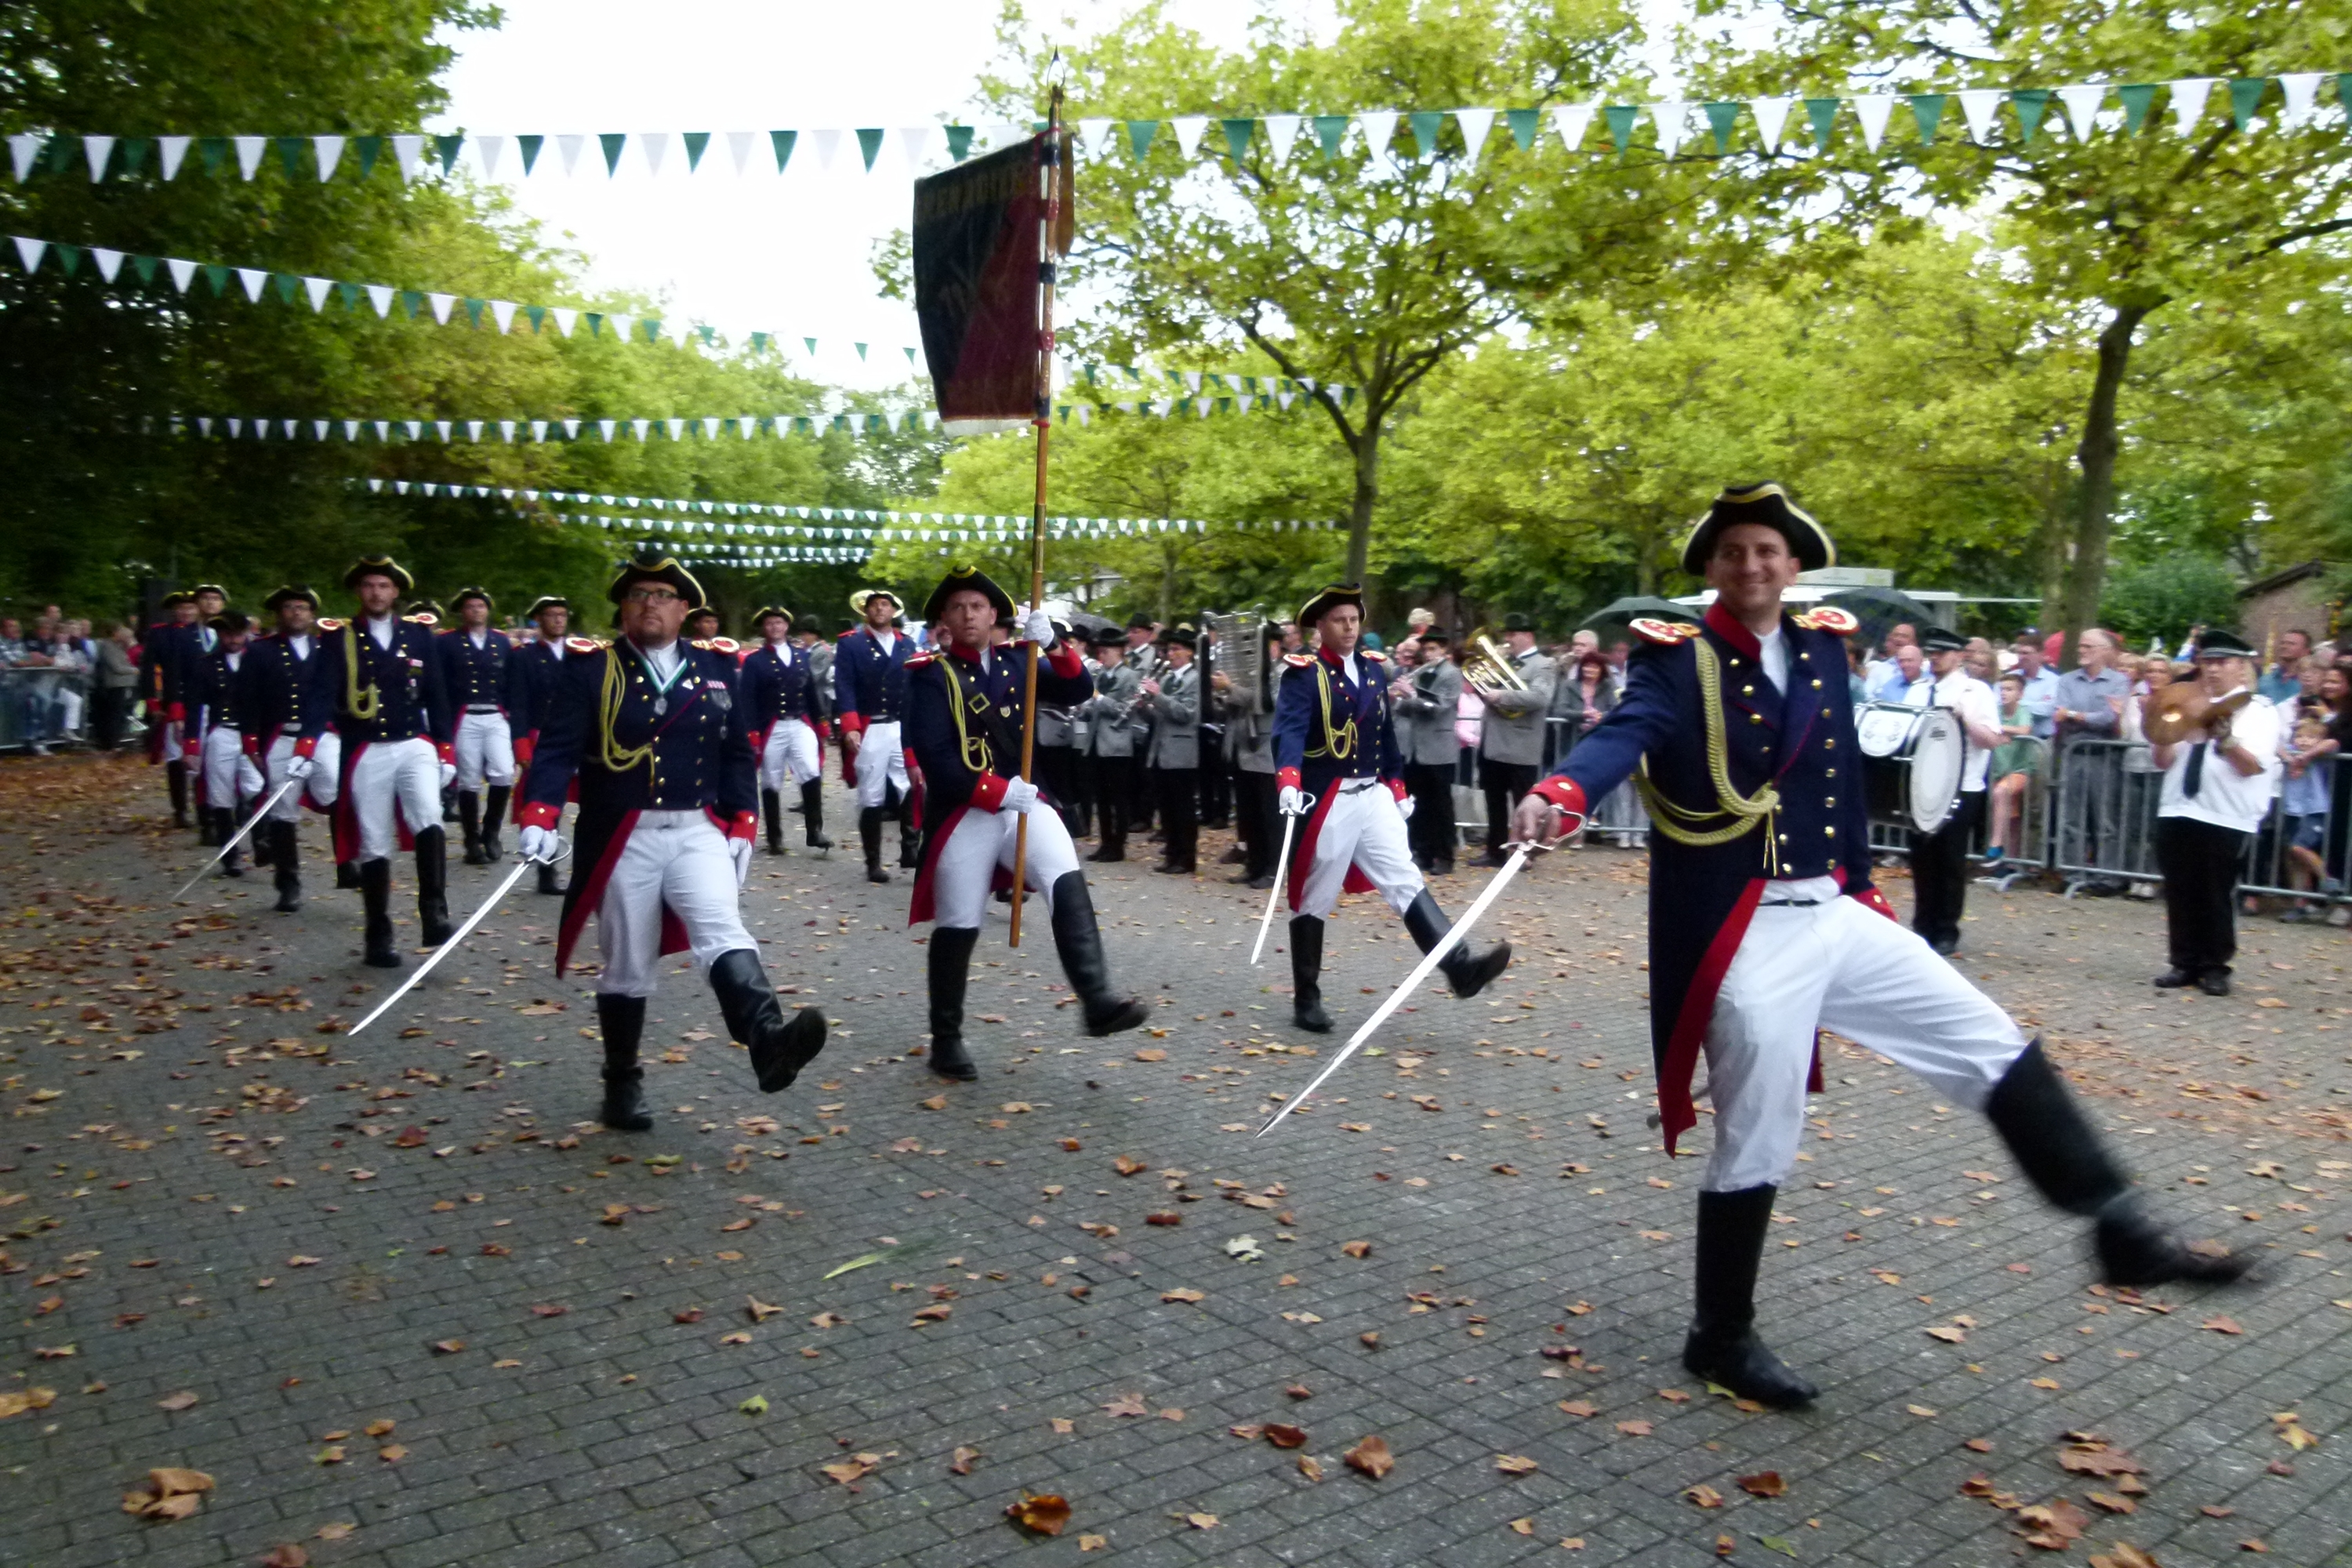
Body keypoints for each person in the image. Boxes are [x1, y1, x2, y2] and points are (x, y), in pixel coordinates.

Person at [1512, 482, 2245, 1410]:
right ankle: (1720, 1334)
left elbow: (1839, 782)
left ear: (1792, 564)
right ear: (1712, 567)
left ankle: (2120, 1223)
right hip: (1744, 921)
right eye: (1733, 551)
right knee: (1760, 1124)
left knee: (1988, 1038)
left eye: (1767, 550)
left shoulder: (1824, 645)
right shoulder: (1677, 658)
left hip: (1835, 906)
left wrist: (1862, 883)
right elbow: (1628, 732)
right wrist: (1563, 792)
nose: (1751, 564)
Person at [517, 547, 827, 1129]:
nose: (649, 604)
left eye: (662, 596)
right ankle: (622, 1081)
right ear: (623, 609)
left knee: (722, 927)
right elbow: (557, 749)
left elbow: (736, 752)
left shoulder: (716, 667)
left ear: (685, 609)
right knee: (628, 962)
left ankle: (767, 1040)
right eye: (638, 595)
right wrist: (539, 814)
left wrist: (744, 820)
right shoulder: (591, 669)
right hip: (624, 833)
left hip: (695, 829)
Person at [903, 566, 1148, 1080]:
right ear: (945, 619)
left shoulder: (1021, 660)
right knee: (960, 922)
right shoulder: (929, 676)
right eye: (958, 608)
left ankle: (1097, 1000)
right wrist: (994, 791)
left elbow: (1078, 689)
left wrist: (1055, 644)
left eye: (978, 606)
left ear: (994, 613)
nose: (969, 615)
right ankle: (946, 1039)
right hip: (967, 811)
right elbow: (936, 757)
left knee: (1065, 877)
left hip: (1027, 802)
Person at [1274, 584, 1512, 1035]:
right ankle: (1307, 997)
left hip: (1373, 793)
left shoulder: (1372, 669)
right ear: (1320, 626)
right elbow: (1289, 730)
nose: (1349, 628)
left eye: (1354, 619)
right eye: (1340, 620)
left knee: (1405, 879)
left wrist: (1397, 785)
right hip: (1330, 796)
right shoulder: (1304, 674)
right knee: (1315, 895)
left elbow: (1383, 735)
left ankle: (1460, 967)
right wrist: (1288, 778)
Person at [307, 557, 456, 968]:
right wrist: (307, 744)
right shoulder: (339, 638)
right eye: (369, 585)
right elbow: (321, 693)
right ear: (360, 591)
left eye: (384, 586)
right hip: (366, 746)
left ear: (396, 592)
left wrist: (446, 747)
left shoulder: (419, 634)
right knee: (374, 840)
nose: (377, 593)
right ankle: (378, 934)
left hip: (413, 741)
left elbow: (437, 693)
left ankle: (434, 912)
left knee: (429, 815)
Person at [2151, 630, 2282, 994]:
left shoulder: (2259, 711)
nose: (2211, 669)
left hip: (2225, 813)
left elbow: (2252, 766)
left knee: (2215, 892)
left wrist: (2225, 737)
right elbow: (2164, 761)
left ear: (2241, 667)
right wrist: (2160, 733)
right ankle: (2183, 962)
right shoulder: (2186, 702)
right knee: (2179, 889)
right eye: (2207, 661)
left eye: (2221, 662)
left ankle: (2215, 966)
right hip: (2178, 807)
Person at [237, 586, 338, 913]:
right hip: (281, 736)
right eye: (290, 607)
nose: (296, 613)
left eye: (302, 607)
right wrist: (250, 742)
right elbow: (247, 699)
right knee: (282, 807)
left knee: (337, 791)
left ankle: (347, 861)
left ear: (312, 614)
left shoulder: (327, 648)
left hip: (322, 735)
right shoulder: (260, 651)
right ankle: (288, 883)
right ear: (279, 614)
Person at [1904, 626, 2004, 954]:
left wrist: (1965, 720)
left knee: (1949, 860)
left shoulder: (1975, 691)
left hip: (1961, 786)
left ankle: (1947, 928)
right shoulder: (1918, 690)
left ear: (1959, 656)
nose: (1935, 658)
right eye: (1931, 652)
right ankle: (1922, 925)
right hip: (1921, 787)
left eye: (1942, 653)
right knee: (1921, 859)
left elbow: (1992, 739)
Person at [836, 589, 917, 884]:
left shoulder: (907, 644)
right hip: (871, 725)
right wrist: (850, 725)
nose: (880, 609)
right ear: (865, 611)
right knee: (872, 793)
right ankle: (873, 862)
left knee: (912, 783)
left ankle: (910, 848)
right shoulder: (851, 644)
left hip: (901, 725)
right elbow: (844, 684)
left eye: (885, 605)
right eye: (874, 605)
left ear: (894, 611)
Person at [435, 587, 517, 866]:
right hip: (465, 715)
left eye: (480, 606)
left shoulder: (501, 642)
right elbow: (440, 683)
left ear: (488, 610)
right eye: (470, 607)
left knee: (504, 772)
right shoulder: (447, 642)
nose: (476, 611)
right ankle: (471, 840)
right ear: (463, 611)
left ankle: (491, 833)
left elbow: (511, 679)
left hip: (496, 714)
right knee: (468, 779)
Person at [741, 605, 830, 855]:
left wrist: (821, 720)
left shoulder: (801, 656)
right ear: (764, 628)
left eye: (779, 623)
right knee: (771, 779)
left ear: (786, 626)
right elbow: (747, 699)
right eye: (770, 624)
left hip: (800, 722)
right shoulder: (754, 661)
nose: (775, 627)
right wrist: (751, 731)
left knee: (811, 771)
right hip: (772, 726)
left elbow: (810, 691)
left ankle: (815, 831)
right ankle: (774, 837)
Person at [1471, 615, 1556, 867]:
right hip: (1492, 743)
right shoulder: (1503, 662)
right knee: (1494, 803)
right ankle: (1495, 852)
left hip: (1521, 746)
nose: (1507, 640)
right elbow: (1484, 690)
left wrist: (1501, 696)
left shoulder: (1544, 664)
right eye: (1506, 635)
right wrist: (1484, 685)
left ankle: (1523, 854)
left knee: (1523, 803)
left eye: (1512, 635)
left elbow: (1540, 698)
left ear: (1527, 635)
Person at [507, 596, 578, 897]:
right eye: (551, 615)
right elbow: (518, 704)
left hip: (580, 736)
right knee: (548, 805)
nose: (558, 620)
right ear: (539, 619)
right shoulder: (524, 657)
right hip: (543, 737)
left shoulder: (580, 654)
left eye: (562, 614)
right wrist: (521, 746)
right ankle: (547, 871)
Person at [191, 612, 264, 876]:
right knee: (221, 795)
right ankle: (229, 855)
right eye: (228, 635)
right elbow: (194, 706)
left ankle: (261, 841)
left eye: (238, 634)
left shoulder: (258, 660)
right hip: (223, 731)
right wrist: (191, 744)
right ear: (220, 635)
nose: (233, 640)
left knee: (258, 786)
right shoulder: (206, 664)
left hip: (253, 732)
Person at [1214, 622, 1284, 887]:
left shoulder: (1284, 672)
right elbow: (1239, 704)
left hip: (1267, 751)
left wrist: (1231, 687)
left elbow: (1268, 702)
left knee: (1271, 816)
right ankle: (1254, 865)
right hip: (1244, 749)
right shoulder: (1252, 674)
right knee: (1249, 814)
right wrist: (1223, 694)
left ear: (1275, 646)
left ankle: (1274, 870)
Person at [1391, 628, 1464, 876]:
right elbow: (1408, 709)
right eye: (1426, 650)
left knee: (1441, 806)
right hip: (1414, 749)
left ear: (1444, 650)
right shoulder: (1420, 673)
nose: (1429, 654)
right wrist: (1396, 699)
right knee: (1418, 804)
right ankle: (1422, 853)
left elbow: (1439, 707)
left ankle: (1445, 856)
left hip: (1438, 749)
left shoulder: (1452, 674)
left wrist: (1411, 695)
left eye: (1433, 649)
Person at [2278, 660, 2345, 921]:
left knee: (2299, 847)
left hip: (2314, 808)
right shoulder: (2292, 749)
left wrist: (2307, 755)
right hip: (2292, 807)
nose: (2304, 741)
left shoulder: (2321, 753)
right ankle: (2300, 902)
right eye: (2301, 737)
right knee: (2293, 856)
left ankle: (2327, 878)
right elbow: (2277, 746)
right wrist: (2291, 757)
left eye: (2310, 737)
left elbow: (2333, 744)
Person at [1138, 625, 1202, 874]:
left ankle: (1186, 858)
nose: (1170, 654)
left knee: (1183, 807)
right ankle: (1172, 854)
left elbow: (1187, 714)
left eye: (1176, 649)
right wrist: (1144, 706)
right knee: (1166, 807)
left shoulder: (1195, 679)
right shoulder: (1167, 679)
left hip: (1182, 751)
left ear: (1189, 652)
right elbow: (1158, 717)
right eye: (1169, 650)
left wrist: (1159, 697)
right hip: (1161, 750)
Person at [1083, 626, 1145, 861]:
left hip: (1117, 745)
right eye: (1100, 652)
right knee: (1102, 799)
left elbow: (1125, 710)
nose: (1102, 656)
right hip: (1096, 743)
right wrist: (1085, 708)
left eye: (1106, 652)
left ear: (1119, 651)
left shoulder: (1130, 676)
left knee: (1118, 798)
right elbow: (1095, 708)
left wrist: (1099, 699)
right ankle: (1105, 842)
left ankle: (1118, 845)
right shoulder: (1100, 676)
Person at [1984, 671, 2042, 868]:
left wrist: (2001, 729)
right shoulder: (1995, 710)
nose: (2004, 693)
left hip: (2020, 769)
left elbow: (2025, 730)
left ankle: (1996, 844)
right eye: (2002, 689)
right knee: (2011, 818)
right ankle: (2009, 863)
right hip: (1999, 770)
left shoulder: (2023, 711)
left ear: (2020, 694)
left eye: (2009, 689)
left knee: (2001, 793)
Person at [92, 622, 140, 751]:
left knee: (118, 714)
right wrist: (135, 670)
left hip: (122, 685)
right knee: (112, 714)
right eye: (126, 636)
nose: (128, 639)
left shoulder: (120, 648)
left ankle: (115, 740)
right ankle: (109, 743)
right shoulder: (108, 646)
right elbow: (117, 667)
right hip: (114, 685)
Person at [2013, 638, 2059, 739]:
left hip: (2040, 740)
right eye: (2019, 653)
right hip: (2010, 738)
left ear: (2040, 655)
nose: (2021, 657)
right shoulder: (2009, 677)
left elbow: (2047, 709)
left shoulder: (2054, 681)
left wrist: (2013, 705)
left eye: (2026, 653)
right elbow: (1996, 704)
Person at [2259, 629, 2312, 705]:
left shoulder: (2308, 683)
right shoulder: (2265, 680)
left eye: (2291, 644)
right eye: (2283, 643)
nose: (2284, 646)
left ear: (2306, 651)